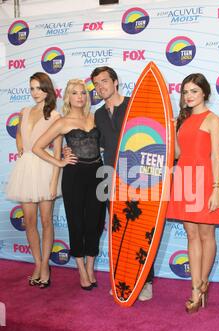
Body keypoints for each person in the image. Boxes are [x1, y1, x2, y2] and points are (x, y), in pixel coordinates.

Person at [65, 66, 154, 301]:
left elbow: (153, 134)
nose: (101, 87)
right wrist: (67, 150)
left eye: (104, 81)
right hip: (109, 177)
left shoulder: (133, 105)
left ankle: (145, 280)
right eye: (96, 84)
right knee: (118, 231)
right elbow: (93, 143)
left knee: (140, 229)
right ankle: (123, 278)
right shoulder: (98, 115)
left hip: (138, 177)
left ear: (115, 82)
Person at [33, 79, 106, 291]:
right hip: (74, 176)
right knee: (77, 224)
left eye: (83, 92)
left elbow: (101, 145)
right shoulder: (62, 122)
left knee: (95, 222)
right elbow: (37, 147)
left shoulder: (95, 117)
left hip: (98, 174)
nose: (80, 96)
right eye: (75, 93)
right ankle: (81, 269)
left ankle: (90, 267)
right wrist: (60, 161)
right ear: (68, 97)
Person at [166, 73, 219, 313]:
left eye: (194, 91)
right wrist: (171, 130)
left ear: (204, 94)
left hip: (205, 180)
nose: (189, 96)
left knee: (206, 234)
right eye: (185, 92)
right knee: (192, 235)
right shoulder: (183, 120)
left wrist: (215, 190)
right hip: (184, 177)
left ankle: (202, 285)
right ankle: (195, 288)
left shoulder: (213, 120)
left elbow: (215, 157)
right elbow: (179, 154)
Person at [6, 72, 61, 288]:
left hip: (45, 170)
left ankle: (45, 266)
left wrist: (54, 181)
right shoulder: (24, 111)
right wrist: (21, 147)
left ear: (48, 89)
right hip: (26, 169)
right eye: (32, 88)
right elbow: (20, 134)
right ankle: (37, 264)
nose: (35, 92)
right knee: (29, 221)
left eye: (39, 88)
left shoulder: (55, 116)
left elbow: (57, 152)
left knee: (46, 221)